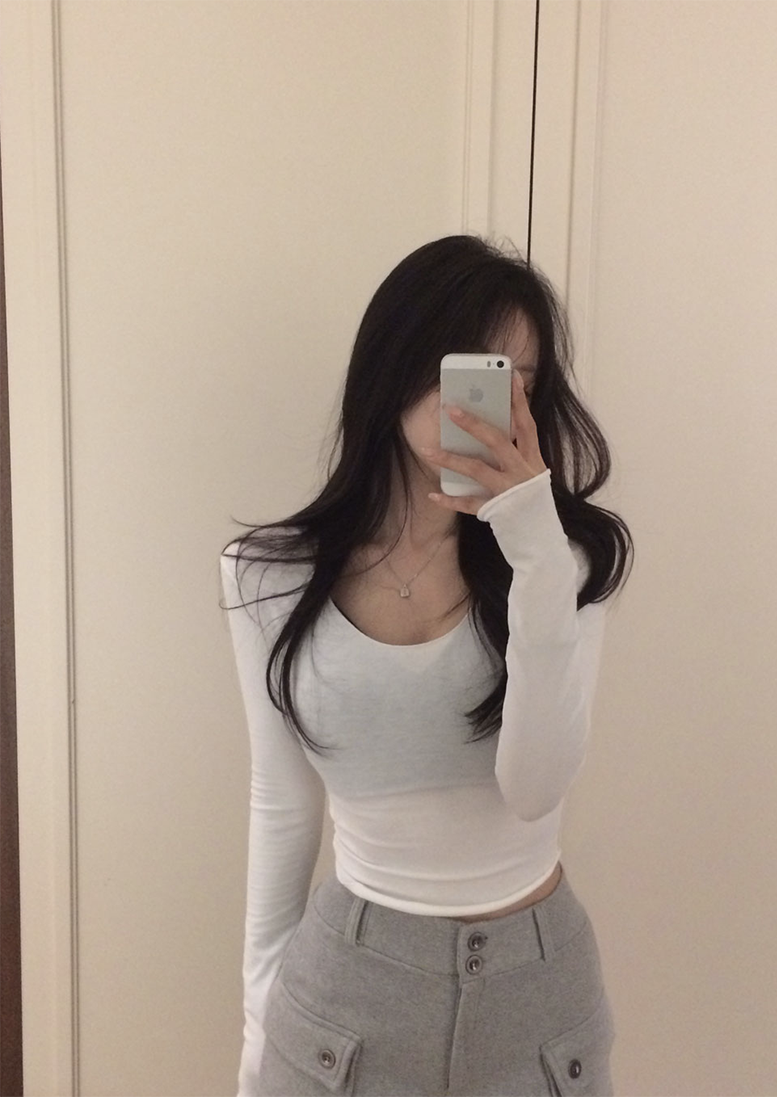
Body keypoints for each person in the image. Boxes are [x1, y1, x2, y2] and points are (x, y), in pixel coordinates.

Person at [219, 234, 633, 1097]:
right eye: (473, 368)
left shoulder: (567, 561)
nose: (494, 404)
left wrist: (535, 549)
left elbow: (534, 789)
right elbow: (282, 801)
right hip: (345, 996)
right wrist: (258, 1028)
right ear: (398, 360)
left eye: (521, 381)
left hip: (534, 999)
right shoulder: (269, 575)